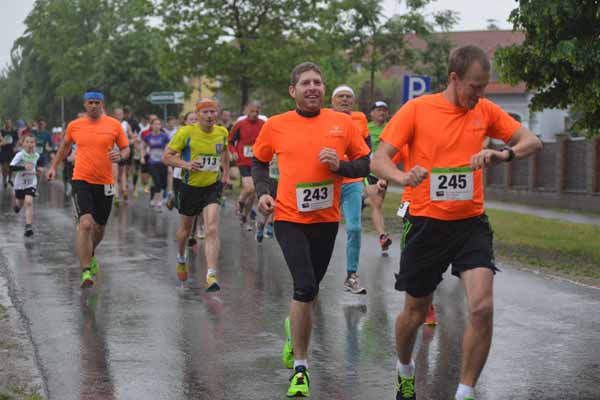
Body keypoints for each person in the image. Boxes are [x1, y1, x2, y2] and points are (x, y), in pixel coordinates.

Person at [370, 45, 542, 400]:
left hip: (470, 224)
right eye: (473, 87)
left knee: (482, 307)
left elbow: (532, 141)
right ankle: (404, 367)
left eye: (483, 88)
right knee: (415, 313)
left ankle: (464, 392)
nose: (478, 95)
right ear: (453, 78)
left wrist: (502, 153)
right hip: (426, 223)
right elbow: (378, 159)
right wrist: (402, 177)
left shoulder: (485, 110)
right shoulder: (418, 109)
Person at [252, 62, 370, 397]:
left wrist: (342, 166)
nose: (313, 87)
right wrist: (263, 192)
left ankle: (295, 327)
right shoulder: (276, 125)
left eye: (318, 82)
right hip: (289, 217)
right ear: (293, 90)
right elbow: (259, 161)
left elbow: (365, 161)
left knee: (312, 291)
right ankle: (301, 369)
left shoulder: (341, 123)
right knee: (303, 287)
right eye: (306, 83)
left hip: (326, 219)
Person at [47, 88, 129, 288]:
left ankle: (90, 252)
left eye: (97, 102)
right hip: (81, 180)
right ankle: (85, 272)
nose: (93, 106)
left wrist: (121, 155)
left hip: (105, 182)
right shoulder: (75, 125)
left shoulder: (114, 125)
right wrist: (53, 166)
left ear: (102, 104)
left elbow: (126, 148)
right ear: (85, 105)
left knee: (100, 227)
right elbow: (65, 147)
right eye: (90, 102)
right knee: (85, 224)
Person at [163, 99, 229, 291]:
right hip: (189, 187)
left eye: (213, 112)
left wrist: (225, 173)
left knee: (212, 228)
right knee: (185, 231)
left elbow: (224, 153)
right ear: (198, 115)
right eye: (205, 112)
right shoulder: (186, 133)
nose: (210, 116)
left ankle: (211, 275)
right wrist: (186, 165)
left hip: (211, 186)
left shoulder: (222, 132)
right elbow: (166, 157)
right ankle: (181, 258)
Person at [331, 85, 370, 294]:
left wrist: (369, 180)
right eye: (340, 96)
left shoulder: (360, 120)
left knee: (354, 228)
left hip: (352, 182)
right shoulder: (324, 118)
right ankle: (313, 274)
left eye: (348, 97)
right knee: (322, 230)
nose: (344, 100)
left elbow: (367, 154)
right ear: (332, 101)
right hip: (327, 183)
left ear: (353, 102)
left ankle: (351, 275)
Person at [229, 101, 265, 230]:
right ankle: (239, 203)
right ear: (246, 111)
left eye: (257, 111)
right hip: (243, 160)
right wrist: (233, 152)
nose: (254, 114)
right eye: (252, 111)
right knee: (249, 188)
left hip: (258, 161)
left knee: (254, 193)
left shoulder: (263, 124)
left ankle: (245, 216)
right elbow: (230, 141)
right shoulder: (240, 124)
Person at [365, 101, 393, 254]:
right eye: (378, 110)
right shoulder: (366, 128)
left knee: (378, 203)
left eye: (384, 110)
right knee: (376, 203)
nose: (382, 113)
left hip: (383, 172)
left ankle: (362, 202)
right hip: (368, 171)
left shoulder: (391, 129)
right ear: (372, 113)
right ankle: (382, 235)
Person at [10, 135, 41, 237]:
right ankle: (17, 206)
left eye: (32, 142)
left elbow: (38, 166)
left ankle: (28, 226)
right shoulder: (20, 155)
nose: (29, 144)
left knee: (29, 202)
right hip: (19, 184)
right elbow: (11, 167)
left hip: (31, 182)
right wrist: (23, 167)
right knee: (20, 203)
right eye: (27, 142)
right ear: (23, 144)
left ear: (34, 144)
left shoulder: (37, 155)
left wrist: (40, 170)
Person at [142, 118, 170, 211]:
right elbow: (143, 146)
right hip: (152, 162)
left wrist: (166, 157)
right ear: (151, 126)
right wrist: (142, 157)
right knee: (157, 181)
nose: (157, 126)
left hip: (163, 162)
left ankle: (154, 198)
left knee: (163, 183)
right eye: (155, 124)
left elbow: (168, 148)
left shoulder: (164, 136)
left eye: (159, 124)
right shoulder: (148, 136)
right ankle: (159, 202)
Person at [1, 119, 19, 189]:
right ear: (5, 124)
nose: (8, 124)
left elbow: (17, 140)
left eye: (10, 123)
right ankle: (4, 179)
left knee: (11, 165)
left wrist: (16, 146)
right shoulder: (2, 131)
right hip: (4, 150)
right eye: (7, 123)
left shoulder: (14, 131)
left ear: (11, 124)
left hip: (11, 151)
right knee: (4, 167)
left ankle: (9, 178)